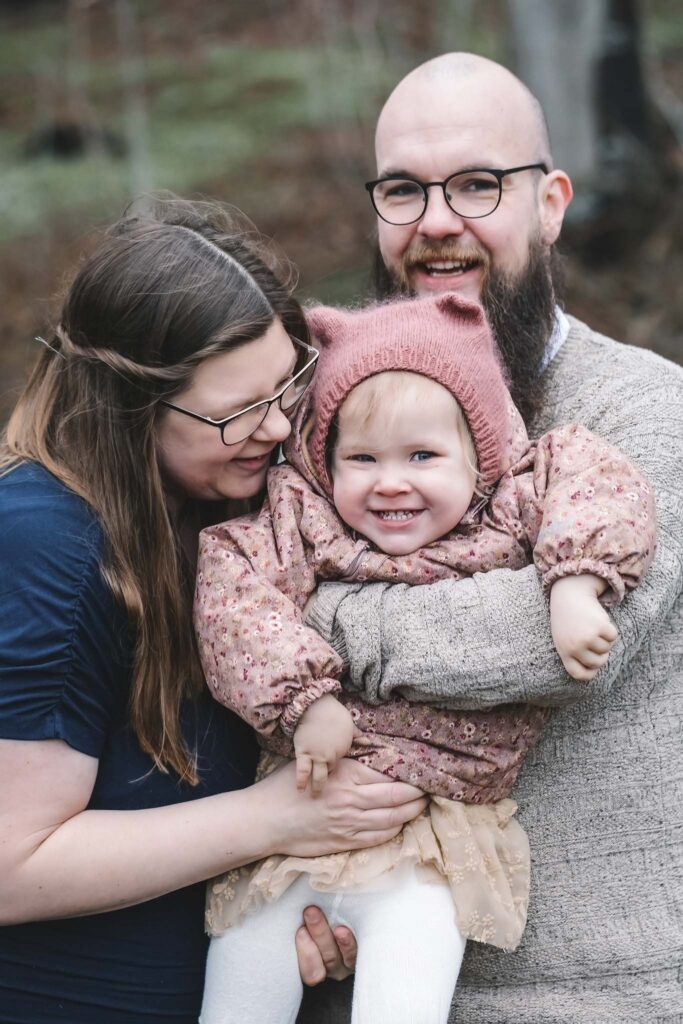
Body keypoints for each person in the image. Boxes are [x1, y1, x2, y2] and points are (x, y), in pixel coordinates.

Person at [295, 54, 683, 1024]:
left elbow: (545, 643)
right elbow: (235, 598)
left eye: (476, 184)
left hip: (595, 993)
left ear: (549, 202)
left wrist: (320, 619)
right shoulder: (321, 415)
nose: (436, 221)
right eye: (402, 190)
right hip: (368, 966)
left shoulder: (649, 410)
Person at [0, 197, 428, 1024]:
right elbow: (11, 865)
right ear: (128, 407)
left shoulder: (219, 508)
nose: (274, 426)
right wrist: (277, 821)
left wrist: (309, 911)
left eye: (287, 385)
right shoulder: (41, 544)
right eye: (236, 411)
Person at [193, 292, 655, 1024]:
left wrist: (574, 581)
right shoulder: (301, 516)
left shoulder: (511, 502)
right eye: (361, 458)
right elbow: (230, 587)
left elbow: (600, 484)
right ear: (323, 460)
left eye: (422, 456)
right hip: (298, 809)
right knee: (239, 994)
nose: (391, 482)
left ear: (480, 458)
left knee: (403, 1002)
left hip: (436, 839)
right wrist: (303, 697)